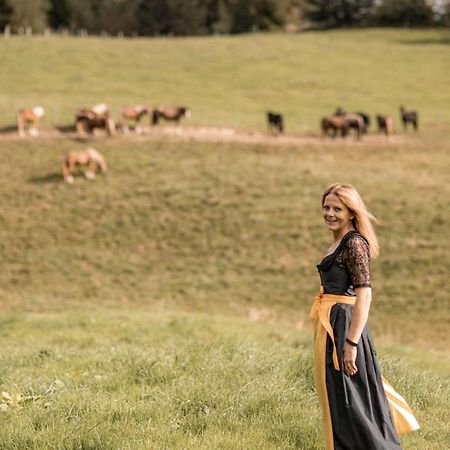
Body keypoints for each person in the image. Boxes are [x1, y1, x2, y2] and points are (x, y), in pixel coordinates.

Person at [310, 183, 419, 450]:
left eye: (337, 208)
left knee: (354, 401)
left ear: (351, 211)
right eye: (327, 207)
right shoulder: (338, 242)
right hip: (331, 326)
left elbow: (365, 296)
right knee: (341, 398)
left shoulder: (354, 243)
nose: (330, 213)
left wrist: (351, 344)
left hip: (346, 328)